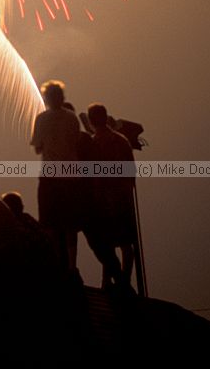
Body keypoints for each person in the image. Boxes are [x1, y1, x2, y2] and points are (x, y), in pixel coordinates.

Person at [30, 79, 80, 273]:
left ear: (47, 98)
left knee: (49, 222)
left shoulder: (41, 119)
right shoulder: (72, 118)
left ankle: (56, 264)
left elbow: (37, 148)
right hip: (70, 177)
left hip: (49, 176)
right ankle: (71, 265)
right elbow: (76, 142)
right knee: (70, 224)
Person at [86, 103, 137, 289]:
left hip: (104, 201)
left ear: (91, 121)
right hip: (122, 198)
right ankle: (125, 280)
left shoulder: (93, 144)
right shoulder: (122, 140)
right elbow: (131, 172)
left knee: (107, 245)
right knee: (126, 244)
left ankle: (108, 282)